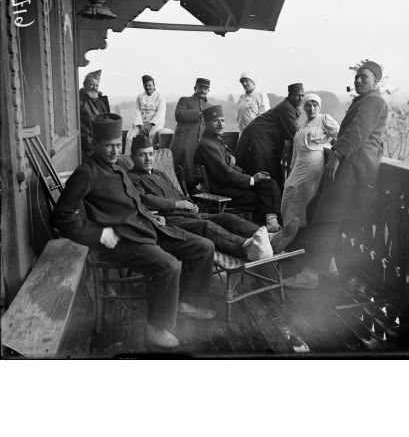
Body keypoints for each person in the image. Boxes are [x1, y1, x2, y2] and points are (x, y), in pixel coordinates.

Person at [52, 113, 216, 351]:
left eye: (117, 145)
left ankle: (188, 303)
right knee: (169, 265)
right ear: (96, 145)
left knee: (203, 247)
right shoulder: (86, 174)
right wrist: (98, 234)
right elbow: (61, 217)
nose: (113, 151)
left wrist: (151, 216)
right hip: (121, 240)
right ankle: (156, 328)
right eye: (108, 146)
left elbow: (134, 199)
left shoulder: (117, 168)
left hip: (146, 227)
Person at [284, 60, 388, 289]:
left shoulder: (373, 101)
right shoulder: (366, 100)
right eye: (357, 77)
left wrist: (337, 157)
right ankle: (327, 267)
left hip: (354, 167)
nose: (359, 80)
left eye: (364, 77)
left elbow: (357, 131)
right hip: (352, 165)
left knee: (328, 218)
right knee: (327, 216)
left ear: (376, 81)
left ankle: (312, 274)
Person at [127, 134, 299, 260]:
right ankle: (246, 248)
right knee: (206, 226)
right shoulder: (132, 178)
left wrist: (188, 202)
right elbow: (145, 200)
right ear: (133, 157)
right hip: (166, 220)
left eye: (150, 154)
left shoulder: (160, 173)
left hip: (186, 213)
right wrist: (178, 204)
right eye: (143, 155)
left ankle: (270, 238)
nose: (149, 158)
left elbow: (177, 191)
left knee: (226, 217)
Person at [194, 105, 288, 233]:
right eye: (216, 121)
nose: (221, 124)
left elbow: (224, 161)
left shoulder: (214, 141)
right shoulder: (208, 145)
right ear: (206, 124)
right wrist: (252, 179)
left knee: (268, 183)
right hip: (222, 188)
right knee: (262, 194)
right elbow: (226, 174)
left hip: (228, 183)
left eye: (222, 120)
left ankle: (270, 226)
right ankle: (269, 228)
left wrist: (229, 158)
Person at [281, 93, 340, 228]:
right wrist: (291, 167)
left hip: (313, 163)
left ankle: (300, 230)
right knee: (288, 189)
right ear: (304, 107)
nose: (311, 108)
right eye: (308, 105)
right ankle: (288, 228)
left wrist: (336, 149)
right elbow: (296, 149)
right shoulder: (302, 125)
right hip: (299, 163)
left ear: (319, 107)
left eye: (314, 105)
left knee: (301, 196)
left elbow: (339, 134)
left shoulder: (324, 119)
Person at [235, 83, 305, 187]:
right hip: (258, 136)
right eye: (297, 95)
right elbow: (296, 133)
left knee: (267, 169)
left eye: (302, 95)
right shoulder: (287, 108)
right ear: (290, 95)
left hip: (262, 137)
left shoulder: (290, 106)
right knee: (263, 168)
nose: (300, 98)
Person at [170, 77, 210, 191]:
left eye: (206, 89)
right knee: (181, 171)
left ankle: (195, 194)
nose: (203, 90)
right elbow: (179, 115)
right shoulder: (185, 100)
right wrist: (199, 114)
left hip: (200, 145)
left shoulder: (209, 106)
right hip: (184, 142)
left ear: (209, 91)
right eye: (200, 87)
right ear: (195, 88)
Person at [124, 74, 166, 154]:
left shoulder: (160, 97)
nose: (148, 88)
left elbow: (160, 114)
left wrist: (150, 125)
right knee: (130, 137)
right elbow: (137, 111)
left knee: (151, 136)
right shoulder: (140, 97)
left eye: (149, 85)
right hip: (141, 123)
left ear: (154, 85)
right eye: (145, 86)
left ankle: (150, 158)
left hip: (154, 123)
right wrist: (140, 126)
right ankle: (127, 159)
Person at [79, 69, 110, 162]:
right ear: (84, 84)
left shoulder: (100, 99)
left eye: (97, 85)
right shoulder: (79, 100)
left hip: (102, 140)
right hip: (87, 144)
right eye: (91, 84)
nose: (94, 88)